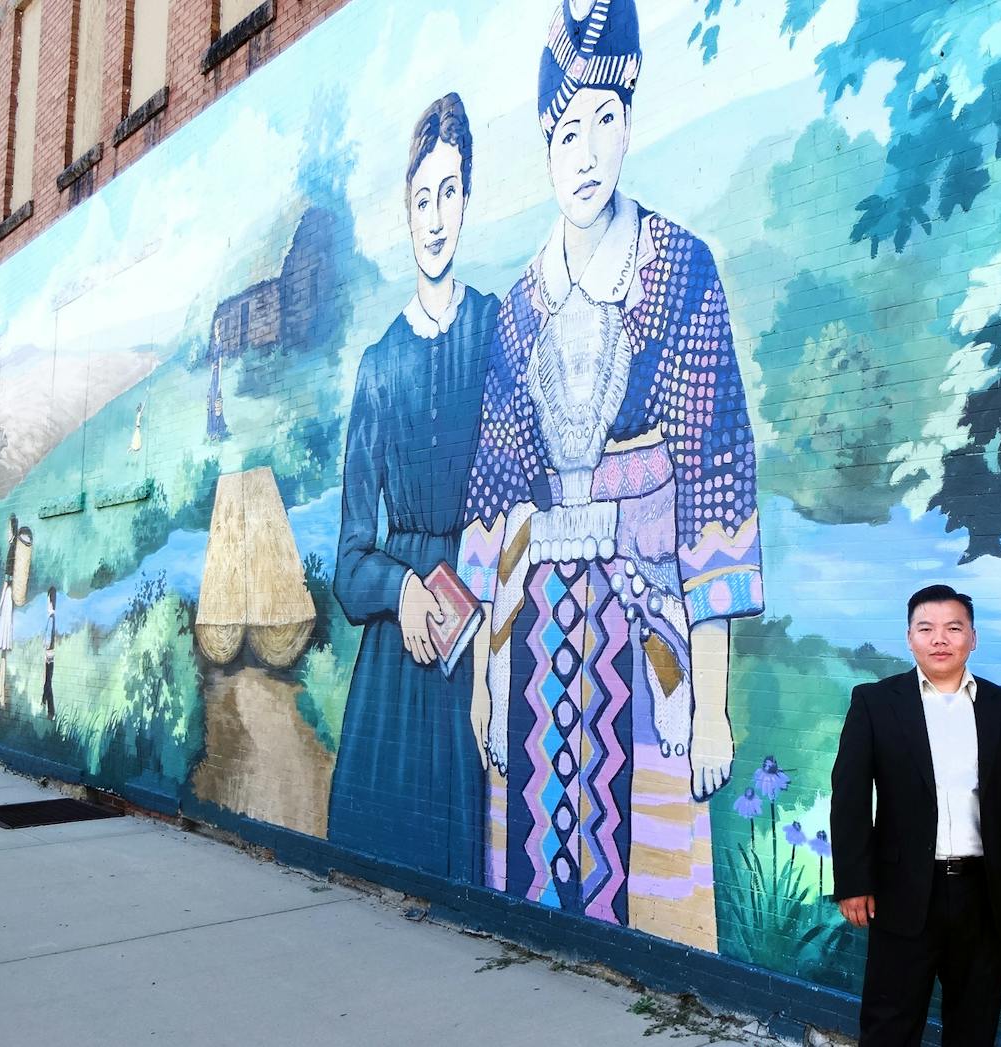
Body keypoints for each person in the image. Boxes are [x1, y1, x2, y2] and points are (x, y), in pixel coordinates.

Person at [457, 0, 763, 950]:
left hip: (650, 621)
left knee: (656, 899)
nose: (584, 152)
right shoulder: (516, 309)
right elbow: (493, 501)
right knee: (536, 886)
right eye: (564, 131)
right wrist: (482, 680)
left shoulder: (679, 270)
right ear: (545, 147)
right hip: (537, 628)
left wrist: (710, 701)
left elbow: (716, 484)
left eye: (603, 122)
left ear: (630, 127)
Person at [327, 93, 498, 881]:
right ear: (406, 209)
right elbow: (349, 561)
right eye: (422, 197)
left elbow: (520, 495)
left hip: (476, 637)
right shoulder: (377, 365)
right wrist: (400, 593)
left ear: (468, 197)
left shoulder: (496, 329)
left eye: (450, 192)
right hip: (395, 665)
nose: (436, 218)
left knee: (461, 864)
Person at [831, 584, 1001, 1047]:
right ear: (909, 638)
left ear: (973, 637)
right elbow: (848, 797)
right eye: (926, 628)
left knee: (974, 1022)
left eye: (954, 628)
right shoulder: (875, 702)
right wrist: (853, 881)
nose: (940, 639)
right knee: (890, 1022)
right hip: (903, 892)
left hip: (984, 894)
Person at [0, 514, 18, 706]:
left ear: (12, 530)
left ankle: (1, 693)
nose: (7, 532)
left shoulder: (12, 550)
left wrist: (0, 603)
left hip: (8, 598)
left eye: (8, 529)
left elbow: (7, 581)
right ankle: (1, 691)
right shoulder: (16, 549)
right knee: (4, 647)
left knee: (3, 646)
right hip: (11, 599)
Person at [41, 586, 57, 720]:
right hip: (49, 656)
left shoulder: (51, 617)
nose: (46, 605)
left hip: (49, 656)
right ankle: (44, 702)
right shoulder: (51, 617)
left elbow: (48, 639)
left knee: (48, 683)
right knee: (47, 681)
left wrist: (45, 647)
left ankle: (50, 711)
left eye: (47, 601)